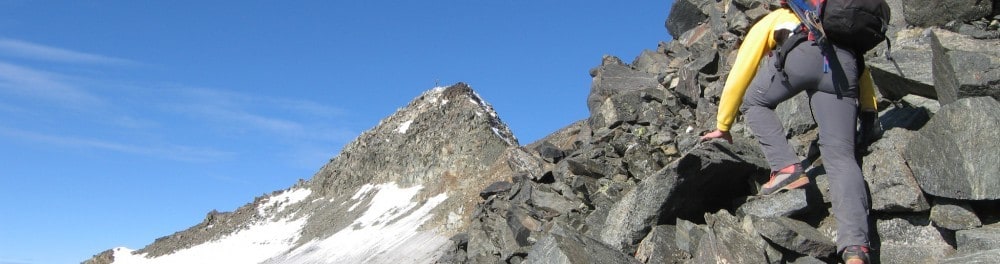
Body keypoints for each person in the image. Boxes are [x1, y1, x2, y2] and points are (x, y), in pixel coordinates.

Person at [698, 1, 876, 263]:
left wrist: (723, 125)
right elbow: (863, 72)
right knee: (841, 158)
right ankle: (855, 250)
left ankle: (786, 169)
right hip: (844, 70)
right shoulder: (840, 27)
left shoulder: (780, 16)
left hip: (802, 55)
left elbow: (742, 70)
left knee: (754, 102)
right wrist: (870, 113)